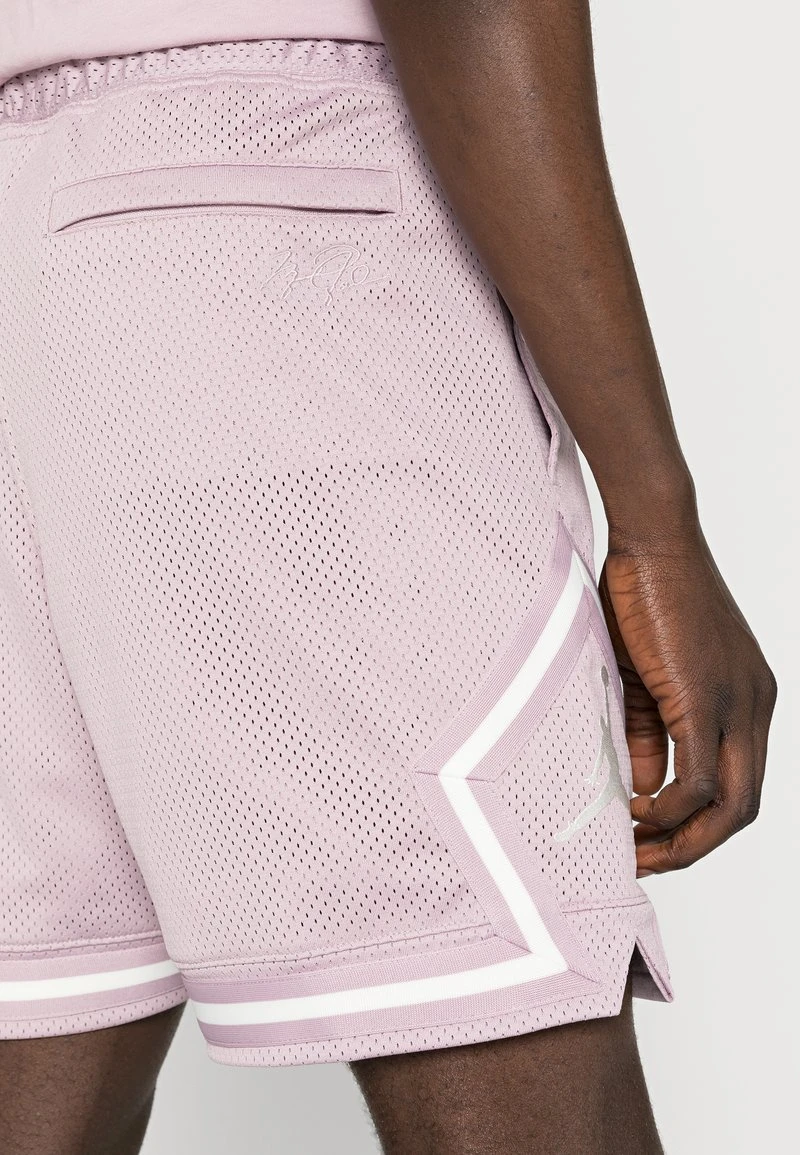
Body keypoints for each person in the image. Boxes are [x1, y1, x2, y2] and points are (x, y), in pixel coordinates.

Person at [0, 1, 776, 1152]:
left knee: (43, 1032)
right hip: (268, 249)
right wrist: (657, 525)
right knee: (498, 1025)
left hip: (33, 268)